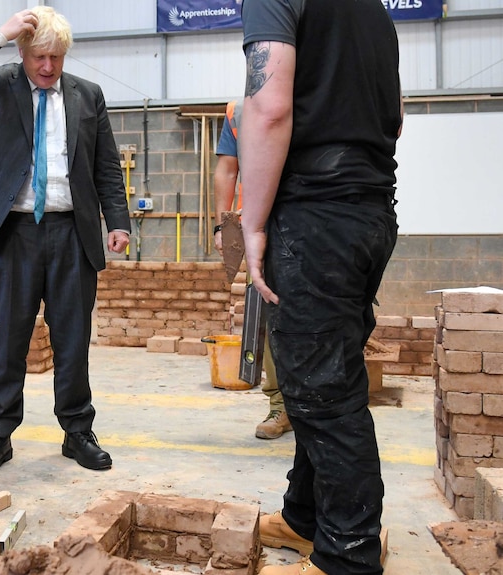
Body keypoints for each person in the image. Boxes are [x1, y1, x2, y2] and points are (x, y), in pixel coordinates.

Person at [238, 0, 402, 573]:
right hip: (370, 212)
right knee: (322, 380)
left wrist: (252, 222)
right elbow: (395, 114)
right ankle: (305, 518)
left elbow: (270, 106)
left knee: (325, 395)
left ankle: (349, 555)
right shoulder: (373, 10)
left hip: (316, 217)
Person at [0, 7, 131, 475]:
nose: (48, 67)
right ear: (22, 52)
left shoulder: (89, 95)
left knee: (73, 338)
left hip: (71, 232)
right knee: (10, 338)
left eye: (56, 58)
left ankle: (78, 431)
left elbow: (106, 164)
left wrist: (117, 221)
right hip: (11, 233)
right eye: (39, 56)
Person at [213, 100, 291, 441]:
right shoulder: (239, 112)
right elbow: (228, 169)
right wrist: (223, 226)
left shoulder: (321, 97)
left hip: (316, 225)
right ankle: (280, 405)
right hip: (263, 228)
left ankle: (323, 403)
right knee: (270, 313)